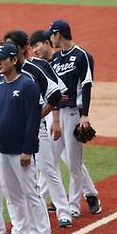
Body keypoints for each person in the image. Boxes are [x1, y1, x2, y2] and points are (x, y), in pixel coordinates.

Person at [0, 43, 55, 234]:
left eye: (2, 59)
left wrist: (28, 149)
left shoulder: (28, 85)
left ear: (14, 60)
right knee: (11, 192)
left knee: (31, 192)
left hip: (21, 150)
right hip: (2, 147)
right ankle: (22, 232)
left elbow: (33, 119)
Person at [3, 30, 73, 233]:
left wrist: (41, 116)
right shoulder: (5, 72)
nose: (8, 52)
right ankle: (27, 226)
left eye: (12, 47)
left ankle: (63, 211)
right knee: (17, 181)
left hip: (37, 129)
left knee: (48, 168)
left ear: (23, 47)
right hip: (15, 134)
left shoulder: (39, 67)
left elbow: (58, 92)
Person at [47, 20, 102, 217]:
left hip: (73, 113)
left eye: (51, 35)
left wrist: (85, 115)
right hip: (57, 114)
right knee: (50, 160)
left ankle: (74, 205)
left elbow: (86, 85)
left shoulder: (82, 56)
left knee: (74, 162)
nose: (50, 38)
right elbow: (52, 92)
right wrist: (54, 119)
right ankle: (58, 200)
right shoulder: (55, 59)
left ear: (58, 34)